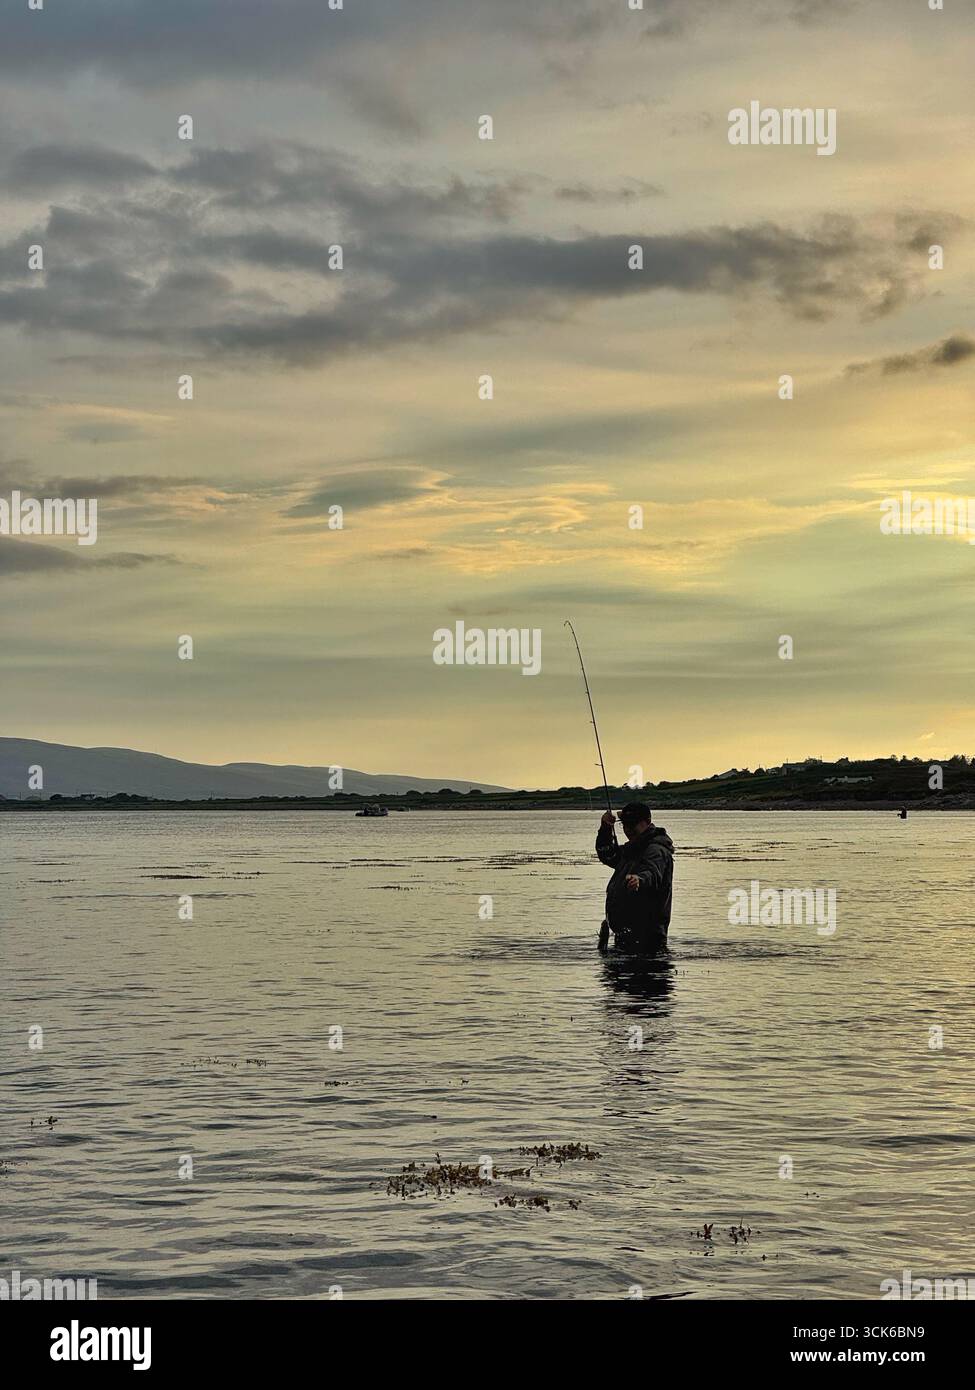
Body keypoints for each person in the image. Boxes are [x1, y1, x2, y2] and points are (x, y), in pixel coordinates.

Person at [595, 801, 674, 953]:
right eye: (625, 825)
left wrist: (639, 880)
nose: (628, 829)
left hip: (647, 938)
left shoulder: (656, 850)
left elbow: (652, 873)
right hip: (626, 935)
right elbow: (608, 855)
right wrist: (605, 829)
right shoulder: (632, 849)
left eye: (633, 825)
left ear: (648, 822)